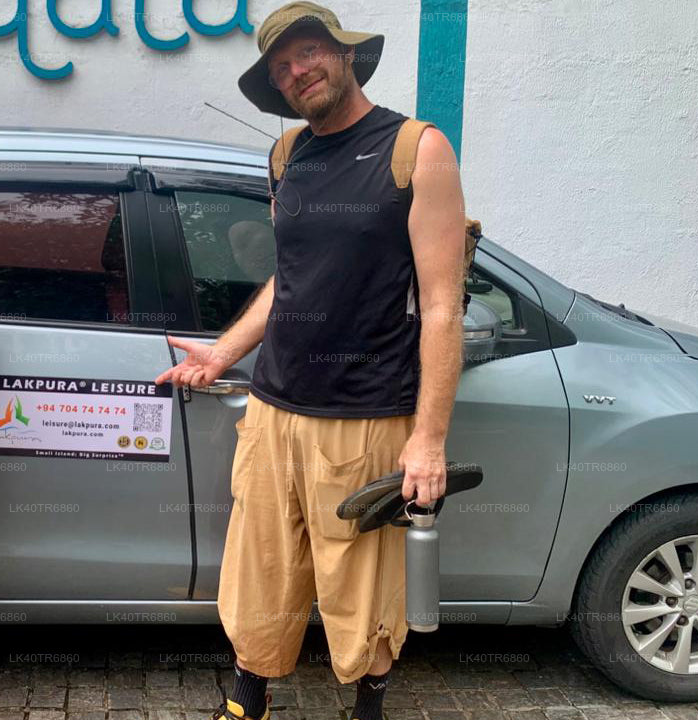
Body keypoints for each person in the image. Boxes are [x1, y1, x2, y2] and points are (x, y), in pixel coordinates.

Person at [155, 3, 467, 720]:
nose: (297, 72)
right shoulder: (287, 155)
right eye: (281, 68)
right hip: (272, 410)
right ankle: (249, 699)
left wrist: (428, 439)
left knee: (363, 585)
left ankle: (368, 710)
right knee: (261, 572)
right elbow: (290, 279)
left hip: (365, 415)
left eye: (308, 53)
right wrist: (225, 352)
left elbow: (442, 306)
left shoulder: (416, 149)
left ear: (346, 54)